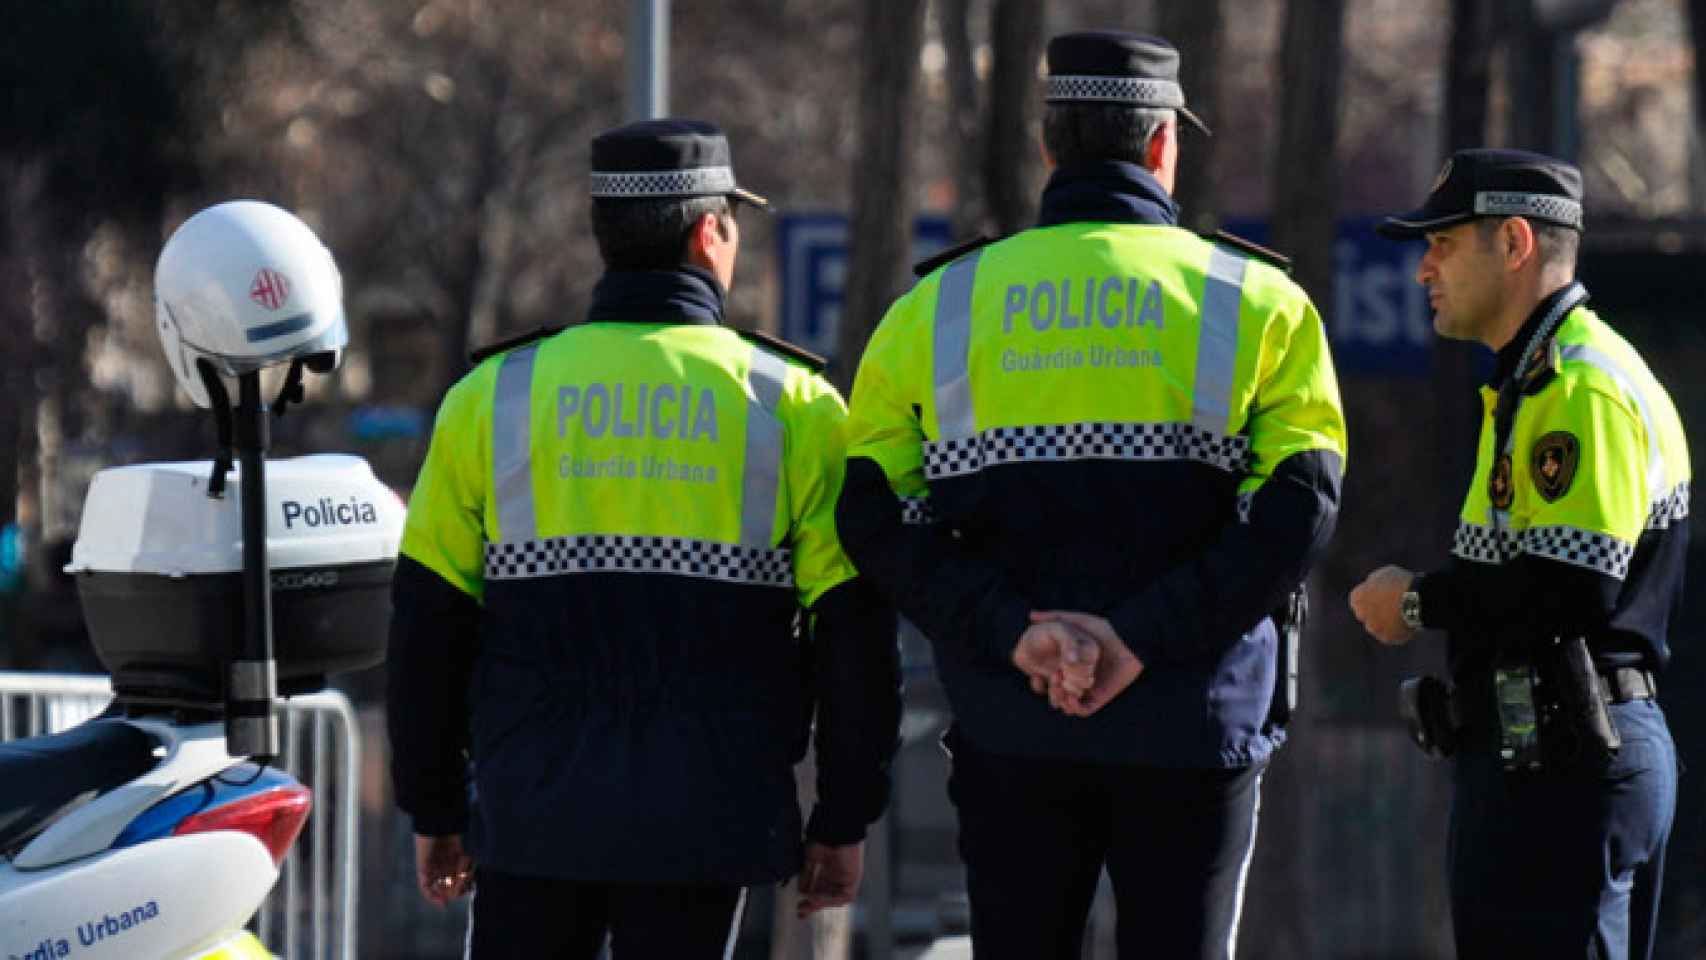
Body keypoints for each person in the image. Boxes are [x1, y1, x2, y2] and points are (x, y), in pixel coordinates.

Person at [836, 30, 1347, 959]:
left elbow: (875, 518)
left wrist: (1014, 633)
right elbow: (1298, 510)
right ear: (1162, 145)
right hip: (1197, 726)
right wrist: (1140, 640)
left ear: (1047, 147)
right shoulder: (1259, 303)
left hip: (1011, 722)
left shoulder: (935, 311)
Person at [387, 118, 901, 957]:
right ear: (709, 233)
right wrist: (843, 817)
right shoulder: (795, 406)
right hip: (710, 821)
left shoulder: (494, 397)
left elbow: (427, 625)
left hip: (531, 816)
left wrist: (434, 807)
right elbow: (854, 637)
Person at [1349, 148, 1687, 959]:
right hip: (1541, 759)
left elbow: (1570, 595)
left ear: (1514, 243)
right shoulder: (1532, 383)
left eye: (1444, 244)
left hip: (1571, 764)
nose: (1424, 267)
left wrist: (1417, 602)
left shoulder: (1580, 387)